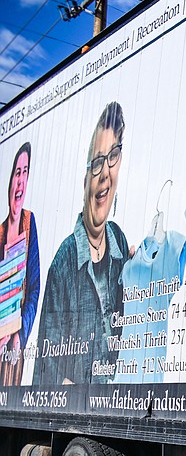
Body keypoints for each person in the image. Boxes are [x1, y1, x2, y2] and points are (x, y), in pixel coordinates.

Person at [36, 102, 132, 385]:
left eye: (113, 156)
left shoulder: (119, 243)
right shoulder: (65, 262)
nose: (104, 173)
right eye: (97, 161)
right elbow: (48, 368)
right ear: (85, 180)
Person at [1, 141, 40, 385]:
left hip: (14, 353)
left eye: (26, 173)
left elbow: (34, 288)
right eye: (17, 172)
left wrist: (19, 335)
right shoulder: (0, 232)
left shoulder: (29, 222)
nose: (20, 181)